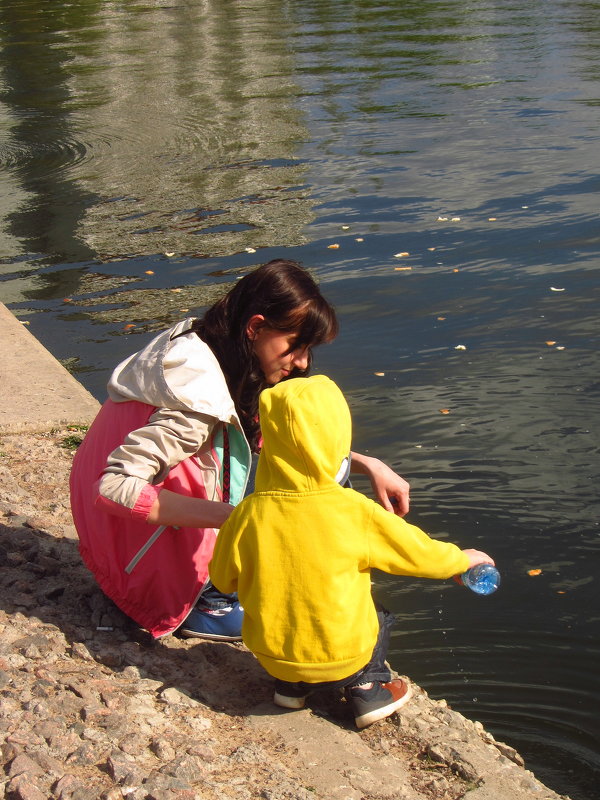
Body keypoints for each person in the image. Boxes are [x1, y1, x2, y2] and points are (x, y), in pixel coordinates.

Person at [69, 259, 411, 642]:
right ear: (255, 327)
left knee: (332, 472)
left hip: (113, 538)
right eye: (295, 346)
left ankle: (217, 583)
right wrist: (239, 519)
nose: (301, 361)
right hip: (131, 554)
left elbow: (266, 437)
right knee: (291, 507)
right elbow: (113, 488)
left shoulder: (212, 347)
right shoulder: (196, 401)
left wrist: (367, 464)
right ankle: (208, 602)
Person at [209, 375, 495, 728]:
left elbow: (222, 579)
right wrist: (462, 559)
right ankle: (368, 687)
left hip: (274, 657)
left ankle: (292, 688)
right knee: (379, 615)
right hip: (343, 656)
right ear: (336, 440)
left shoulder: (248, 513)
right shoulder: (353, 510)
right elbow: (419, 554)